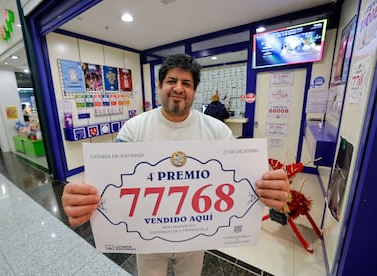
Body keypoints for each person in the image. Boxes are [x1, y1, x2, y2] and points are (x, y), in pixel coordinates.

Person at [61, 54, 290, 276]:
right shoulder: (134, 129)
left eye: (186, 83)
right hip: (147, 238)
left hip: (195, 238)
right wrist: (83, 195)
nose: (178, 88)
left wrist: (268, 186)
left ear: (194, 90)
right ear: (160, 85)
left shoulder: (217, 131)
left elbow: (242, 178)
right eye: (171, 81)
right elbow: (111, 180)